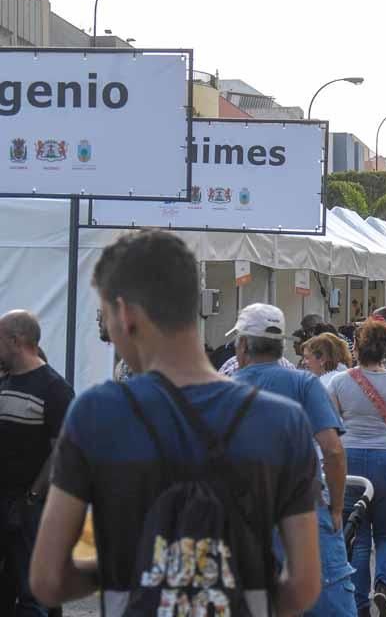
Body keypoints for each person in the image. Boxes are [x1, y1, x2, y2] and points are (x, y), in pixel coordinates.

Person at [31, 231, 322, 616]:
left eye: (105, 318)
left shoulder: (96, 414)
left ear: (126, 313)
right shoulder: (283, 421)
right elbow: (304, 585)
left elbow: (48, 580)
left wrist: (138, 570)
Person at [229, 304, 355, 617]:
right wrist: (337, 507)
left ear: (243, 345)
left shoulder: (223, 391)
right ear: (281, 345)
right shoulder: (304, 384)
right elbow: (334, 450)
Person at [327, 320, 386, 617]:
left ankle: (361, 604)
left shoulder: (339, 382)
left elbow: (330, 428)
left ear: (357, 348)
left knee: (359, 536)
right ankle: (383, 586)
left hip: (351, 460)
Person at [0, 310, 74, 616]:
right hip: (4, 500)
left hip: (31, 507)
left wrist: (32, 498)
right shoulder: (4, 382)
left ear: (16, 341)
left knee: (34, 595)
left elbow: (62, 453)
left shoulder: (54, 388)